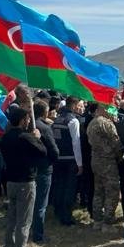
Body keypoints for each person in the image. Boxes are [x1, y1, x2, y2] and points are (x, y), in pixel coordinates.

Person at [0, 106, 50, 247]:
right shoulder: (25, 137)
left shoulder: (5, 137)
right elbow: (43, 152)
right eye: (27, 118)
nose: (29, 121)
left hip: (11, 181)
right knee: (24, 220)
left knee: (12, 218)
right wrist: (37, 138)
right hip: (25, 182)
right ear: (22, 120)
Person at [86, 104, 123, 232]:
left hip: (95, 160)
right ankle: (107, 223)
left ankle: (97, 221)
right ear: (105, 110)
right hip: (108, 161)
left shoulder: (92, 123)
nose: (112, 113)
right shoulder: (107, 124)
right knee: (112, 192)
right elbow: (116, 143)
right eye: (111, 110)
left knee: (98, 191)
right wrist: (120, 157)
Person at [27, 100, 59, 245]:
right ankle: (38, 235)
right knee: (40, 203)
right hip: (43, 169)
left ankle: (27, 229)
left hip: (28, 169)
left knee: (29, 202)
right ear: (45, 112)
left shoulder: (26, 126)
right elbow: (54, 151)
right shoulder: (44, 129)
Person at [50, 96, 84, 226]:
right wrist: (80, 164)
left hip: (58, 159)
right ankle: (66, 217)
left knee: (59, 186)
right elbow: (76, 143)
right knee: (69, 188)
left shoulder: (57, 119)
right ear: (74, 105)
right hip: (70, 159)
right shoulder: (73, 121)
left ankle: (58, 211)